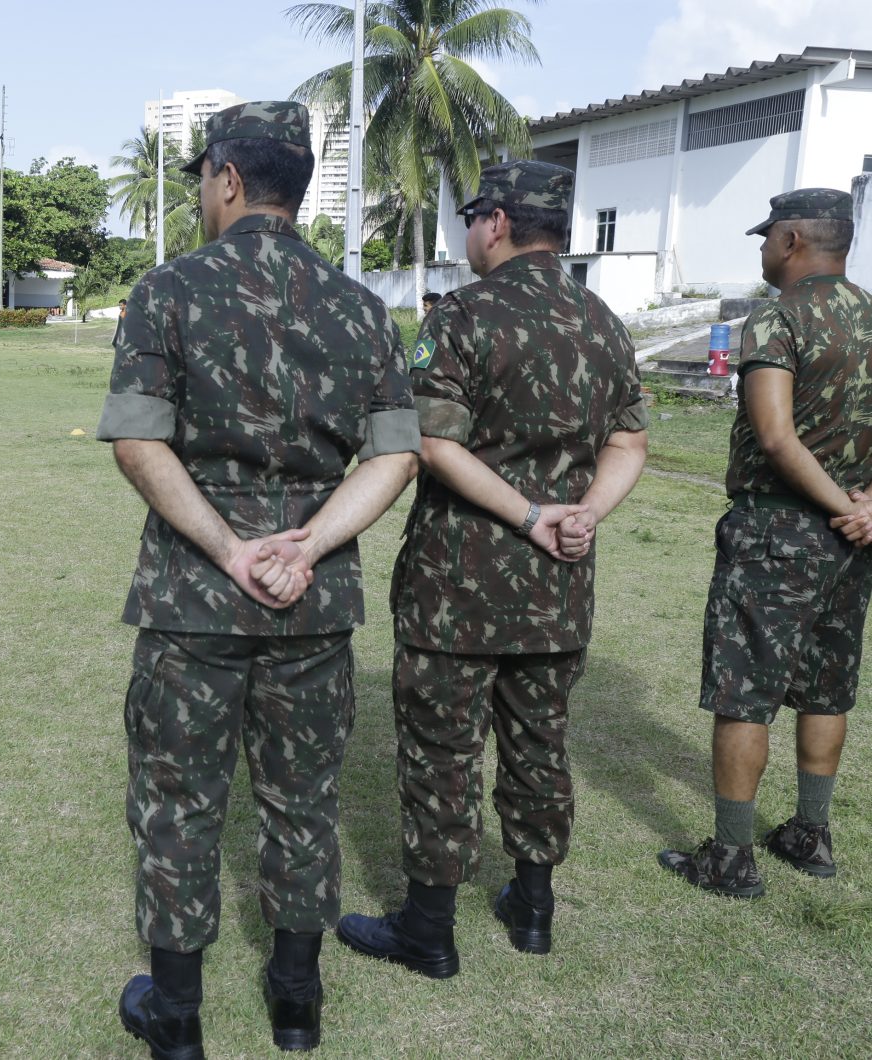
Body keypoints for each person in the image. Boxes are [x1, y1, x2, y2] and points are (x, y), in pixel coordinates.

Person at [98, 101, 420, 1058]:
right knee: (303, 799)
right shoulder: (362, 308)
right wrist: (309, 544)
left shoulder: (169, 291)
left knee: (177, 800)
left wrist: (230, 550)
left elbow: (137, 440)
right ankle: (296, 1004)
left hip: (196, 601)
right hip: (312, 606)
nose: (202, 193)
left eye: (202, 177)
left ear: (228, 179)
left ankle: (179, 1017)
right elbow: (396, 457)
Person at [334, 161, 649, 977]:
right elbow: (630, 441)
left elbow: (432, 440)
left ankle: (429, 931)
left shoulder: (465, 314)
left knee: (442, 752)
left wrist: (530, 515)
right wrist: (579, 515)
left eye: (473, 216)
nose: (468, 232)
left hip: (459, 583)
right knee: (540, 742)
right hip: (556, 587)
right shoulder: (604, 321)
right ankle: (532, 907)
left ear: (498, 221)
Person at [659, 189, 872, 897]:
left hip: (779, 528)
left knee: (743, 694)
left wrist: (842, 505)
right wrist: (865, 508)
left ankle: (731, 856)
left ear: (790, 240)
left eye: (764, 239)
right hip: (852, 539)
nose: (759, 252)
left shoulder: (777, 316)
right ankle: (811, 834)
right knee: (827, 689)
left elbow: (777, 437)